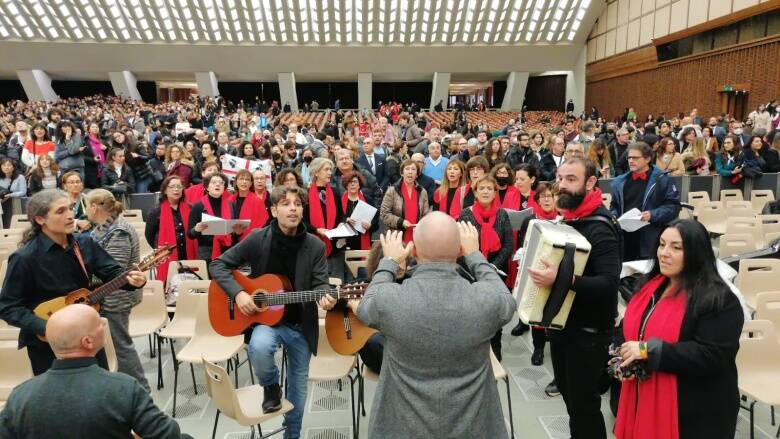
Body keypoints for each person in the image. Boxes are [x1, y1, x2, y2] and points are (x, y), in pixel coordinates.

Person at [353, 215, 516, 438]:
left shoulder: (391, 300)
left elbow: (366, 306)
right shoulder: (485, 300)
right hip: (473, 428)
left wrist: (389, 261)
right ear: (460, 251)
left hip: (404, 427)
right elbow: (507, 301)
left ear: (414, 252)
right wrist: (476, 256)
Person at [210, 186, 336, 439]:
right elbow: (218, 264)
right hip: (268, 322)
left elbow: (321, 283)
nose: (293, 208)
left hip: (301, 325)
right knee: (258, 347)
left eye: (298, 204)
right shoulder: (258, 238)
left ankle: (292, 435)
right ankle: (270, 386)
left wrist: (326, 297)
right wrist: (239, 294)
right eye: (286, 203)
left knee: (298, 392)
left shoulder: (314, 246)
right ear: (273, 209)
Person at [614, 220, 744, 439]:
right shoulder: (650, 286)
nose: (664, 253)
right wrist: (618, 355)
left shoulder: (719, 299)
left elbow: (713, 355)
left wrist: (648, 350)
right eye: (662, 244)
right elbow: (631, 327)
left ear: (696, 252)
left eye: (676, 248)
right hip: (642, 395)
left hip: (695, 409)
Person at [0, 189, 147, 375]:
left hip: (87, 334)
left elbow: (113, 272)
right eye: (60, 211)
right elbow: (8, 306)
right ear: (40, 219)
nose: (70, 216)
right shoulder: (24, 258)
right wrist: (46, 327)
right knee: (60, 401)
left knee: (96, 390)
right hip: (48, 347)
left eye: (70, 208)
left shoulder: (84, 243)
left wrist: (133, 281)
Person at [528, 158, 621, 438]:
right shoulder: (571, 220)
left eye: (571, 179)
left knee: (584, 406)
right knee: (572, 401)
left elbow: (608, 284)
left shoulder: (600, 227)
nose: (563, 185)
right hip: (563, 327)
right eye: (561, 178)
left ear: (591, 183)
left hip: (589, 333)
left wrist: (563, 280)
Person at [0, 304, 190, 439]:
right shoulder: (123, 388)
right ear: (87, 342)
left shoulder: (21, 396)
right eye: (99, 324)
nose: (104, 326)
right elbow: (168, 435)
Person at [84, 188, 150, 392]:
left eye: (86, 206)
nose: (85, 210)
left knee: (120, 345)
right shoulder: (105, 227)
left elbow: (115, 272)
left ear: (94, 207)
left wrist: (86, 278)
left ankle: (141, 390)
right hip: (108, 296)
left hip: (115, 297)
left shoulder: (119, 230)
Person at [458, 175, 513, 361]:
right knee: (472, 316)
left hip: (496, 273)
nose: (486, 191)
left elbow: (508, 246)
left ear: (495, 192)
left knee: (494, 316)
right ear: (475, 192)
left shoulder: (503, 215)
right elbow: (462, 245)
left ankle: (496, 354)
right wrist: (477, 266)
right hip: (469, 273)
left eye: (490, 188)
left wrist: (492, 267)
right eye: (482, 188)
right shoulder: (466, 214)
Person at [610, 143, 681, 261]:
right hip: (626, 237)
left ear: (647, 159)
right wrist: (613, 216)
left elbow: (673, 207)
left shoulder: (662, 180)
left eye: (635, 158)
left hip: (650, 236)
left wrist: (652, 215)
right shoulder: (620, 182)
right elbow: (615, 206)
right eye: (629, 157)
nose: (631, 161)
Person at [144, 176, 198, 284]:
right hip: (167, 256)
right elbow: (149, 235)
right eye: (172, 187)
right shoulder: (156, 211)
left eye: (179, 186)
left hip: (188, 254)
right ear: (164, 190)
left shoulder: (191, 208)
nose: (176, 189)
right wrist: (162, 251)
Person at [187, 173, 243, 262]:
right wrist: (196, 229)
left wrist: (237, 231)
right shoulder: (198, 206)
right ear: (207, 187)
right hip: (206, 253)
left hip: (227, 251)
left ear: (224, 187)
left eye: (221, 183)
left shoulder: (231, 205)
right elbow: (190, 234)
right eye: (213, 182)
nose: (218, 184)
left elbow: (235, 230)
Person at [380, 159, 430, 244]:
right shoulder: (392, 191)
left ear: (417, 174)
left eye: (413, 169)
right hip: (396, 237)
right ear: (402, 173)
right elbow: (384, 214)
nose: (410, 172)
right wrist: (401, 222)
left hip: (417, 238)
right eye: (407, 169)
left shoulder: (422, 192)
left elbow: (426, 215)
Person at [340, 170, 376, 253]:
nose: (352, 184)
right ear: (346, 185)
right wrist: (346, 220)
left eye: (355, 182)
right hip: (345, 241)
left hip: (363, 240)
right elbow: (337, 219)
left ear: (359, 184)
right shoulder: (339, 200)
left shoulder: (368, 199)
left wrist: (370, 225)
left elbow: (375, 221)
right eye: (349, 182)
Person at [231, 169, 269, 240]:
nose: (244, 182)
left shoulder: (257, 201)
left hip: (250, 240)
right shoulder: (230, 200)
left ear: (251, 183)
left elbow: (262, 223)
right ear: (236, 182)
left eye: (247, 179)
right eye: (241, 179)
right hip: (231, 240)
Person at [0, 159, 27, 228]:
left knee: (16, 224)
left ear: (13, 167)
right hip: (3, 203)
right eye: (4, 165)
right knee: (4, 223)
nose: (6, 167)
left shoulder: (20, 177)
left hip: (17, 203)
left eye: (9, 165)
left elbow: (23, 192)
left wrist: (11, 195)